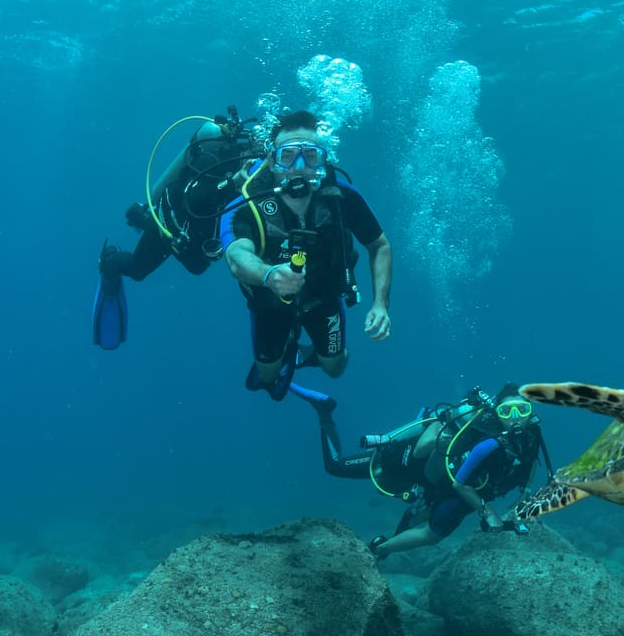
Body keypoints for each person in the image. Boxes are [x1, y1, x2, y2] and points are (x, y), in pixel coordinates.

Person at [219, 110, 393, 400]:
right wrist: (269, 274)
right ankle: (287, 351)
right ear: (272, 161)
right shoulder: (245, 205)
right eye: (288, 156)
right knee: (267, 376)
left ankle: (309, 352)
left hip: (324, 300)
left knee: (334, 368)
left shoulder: (343, 198)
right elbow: (237, 257)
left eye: (311, 156)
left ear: (322, 162)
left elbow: (380, 245)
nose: (299, 167)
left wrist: (380, 304)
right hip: (269, 306)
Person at [292, 382, 548, 559]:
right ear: (496, 413)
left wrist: (525, 493)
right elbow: (458, 481)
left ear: (531, 412)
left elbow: (531, 461)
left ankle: (384, 547)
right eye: (507, 410)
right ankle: (324, 411)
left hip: (437, 483)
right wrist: (488, 512)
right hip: (403, 464)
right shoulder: (490, 442)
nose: (516, 417)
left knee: (421, 518)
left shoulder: (531, 434)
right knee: (335, 466)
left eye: (522, 409)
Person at [93, 106, 265, 349]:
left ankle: (141, 216)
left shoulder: (262, 179)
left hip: (198, 230)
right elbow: (193, 198)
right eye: (254, 155)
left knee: (198, 266)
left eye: (262, 160)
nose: (256, 163)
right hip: (171, 218)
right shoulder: (215, 158)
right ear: (246, 147)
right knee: (138, 270)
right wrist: (231, 183)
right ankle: (111, 259)